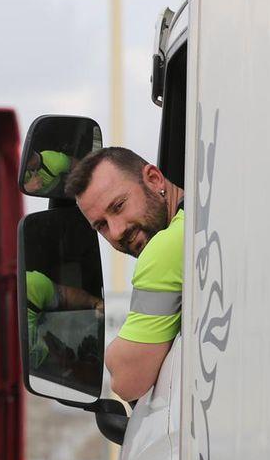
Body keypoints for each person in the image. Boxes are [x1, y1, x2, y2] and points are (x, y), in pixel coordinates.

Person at [64, 147, 183, 401]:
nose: (116, 232)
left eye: (118, 206)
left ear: (154, 179)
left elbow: (127, 380)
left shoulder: (165, 248)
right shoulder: (203, 220)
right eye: (102, 225)